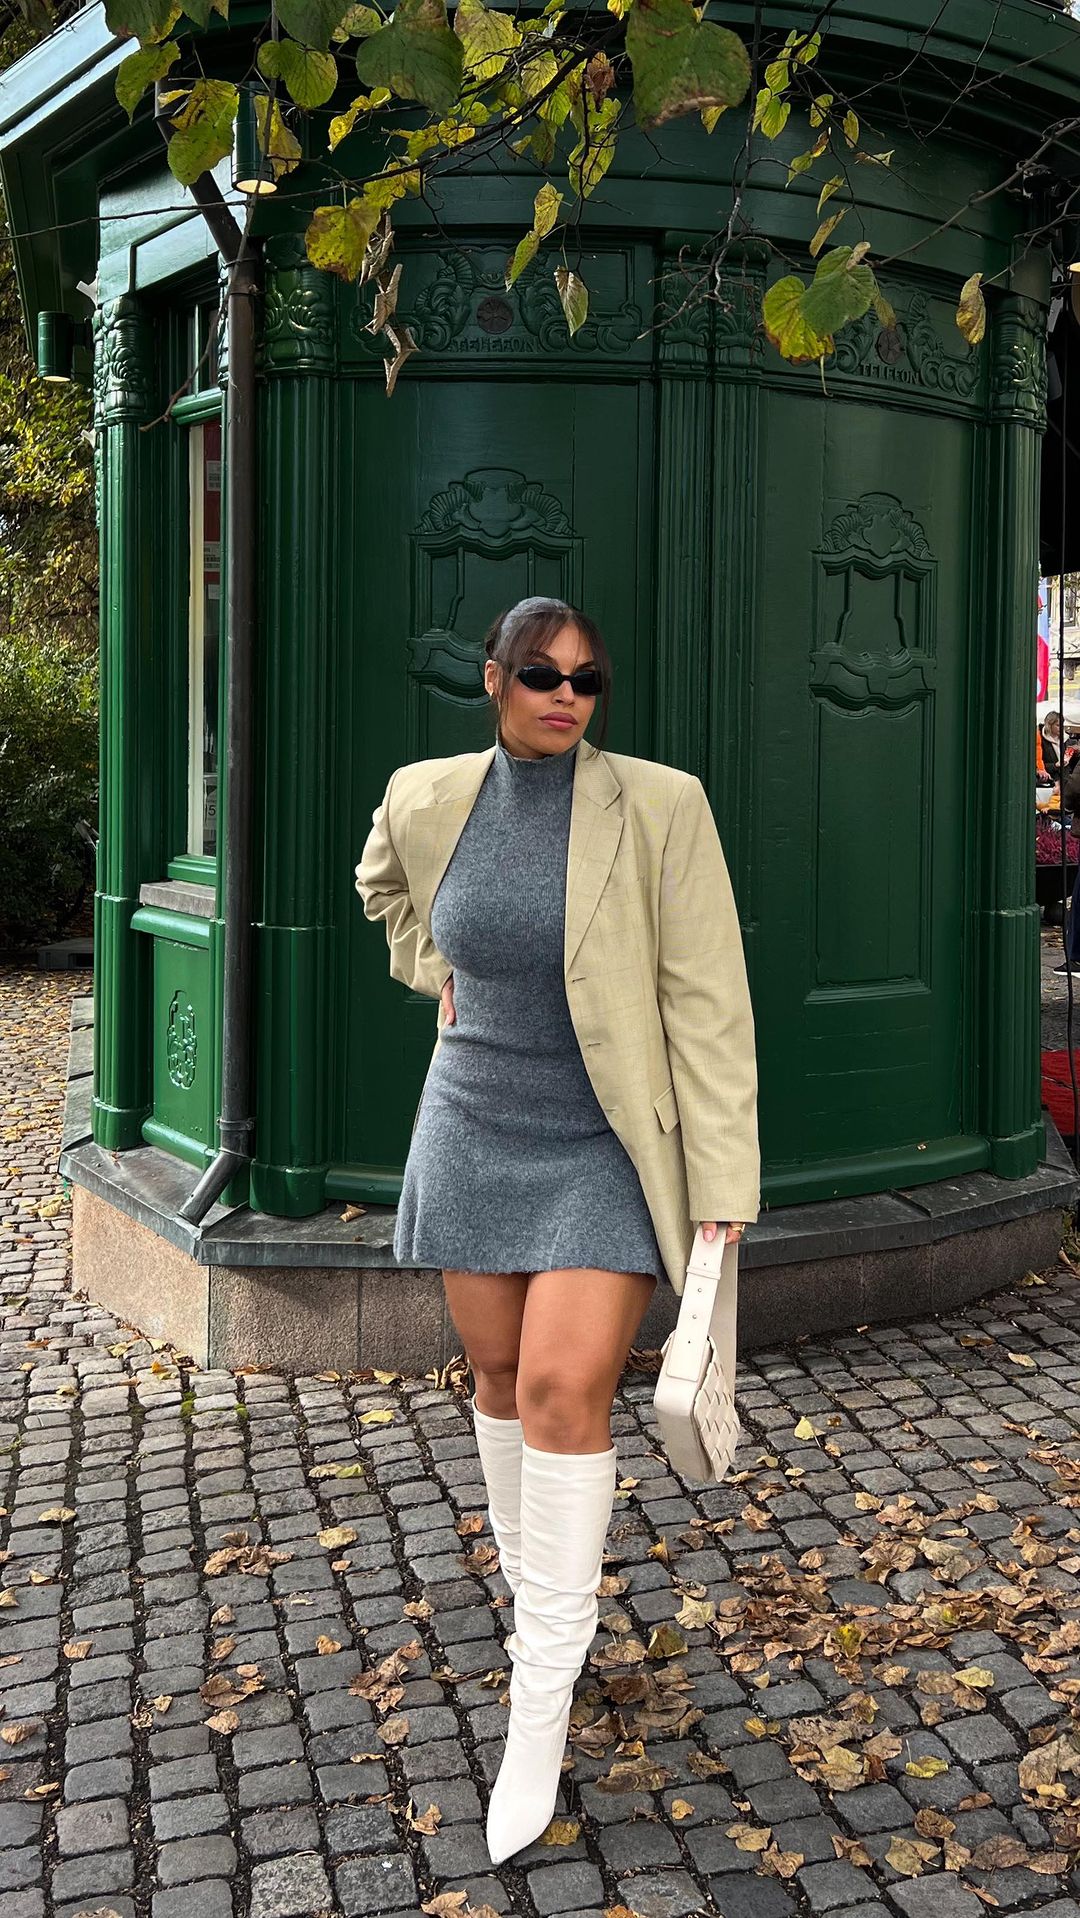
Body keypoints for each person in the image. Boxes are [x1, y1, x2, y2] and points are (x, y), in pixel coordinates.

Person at [354, 595, 760, 1864]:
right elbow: (381, 890)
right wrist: (436, 970)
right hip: (473, 1116)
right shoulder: (426, 796)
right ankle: (541, 1592)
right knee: (493, 1375)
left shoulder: (662, 805)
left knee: (560, 1386)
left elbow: (709, 997)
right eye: (542, 674)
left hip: (604, 1140)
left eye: (586, 678)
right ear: (494, 678)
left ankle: (539, 1706)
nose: (567, 696)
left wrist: (723, 1185)